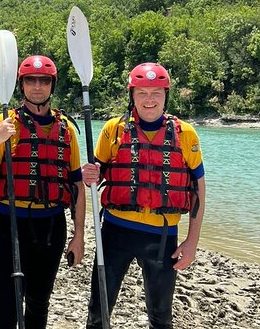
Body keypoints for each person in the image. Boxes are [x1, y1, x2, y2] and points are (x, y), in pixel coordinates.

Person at [82, 62, 206, 329]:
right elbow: (95, 174)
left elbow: (198, 189)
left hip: (162, 237)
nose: (149, 99)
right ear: (132, 95)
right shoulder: (113, 129)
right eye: (141, 93)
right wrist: (89, 174)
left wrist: (192, 242)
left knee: (161, 317)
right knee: (98, 312)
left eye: (156, 93)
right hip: (115, 233)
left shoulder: (186, 135)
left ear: (165, 96)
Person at [0, 55, 86, 329]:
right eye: (30, 80)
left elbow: (77, 186)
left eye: (44, 81)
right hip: (9, 225)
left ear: (52, 85)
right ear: (21, 85)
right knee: (5, 308)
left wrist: (79, 235)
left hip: (50, 227)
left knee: (38, 305)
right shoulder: (5, 125)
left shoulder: (67, 130)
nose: (37, 86)